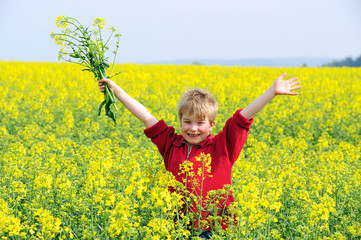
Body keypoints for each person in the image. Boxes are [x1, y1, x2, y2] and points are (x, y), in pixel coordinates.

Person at [98, 72, 301, 239]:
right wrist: (116, 91)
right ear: (180, 121)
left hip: (214, 229)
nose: (193, 128)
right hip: (177, 228)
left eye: (200, 123)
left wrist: (271, 92)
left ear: (212, 125)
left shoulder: (223, 146)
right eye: (187, 122)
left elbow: (242, 118)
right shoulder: (171, 144)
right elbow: (146, 116)